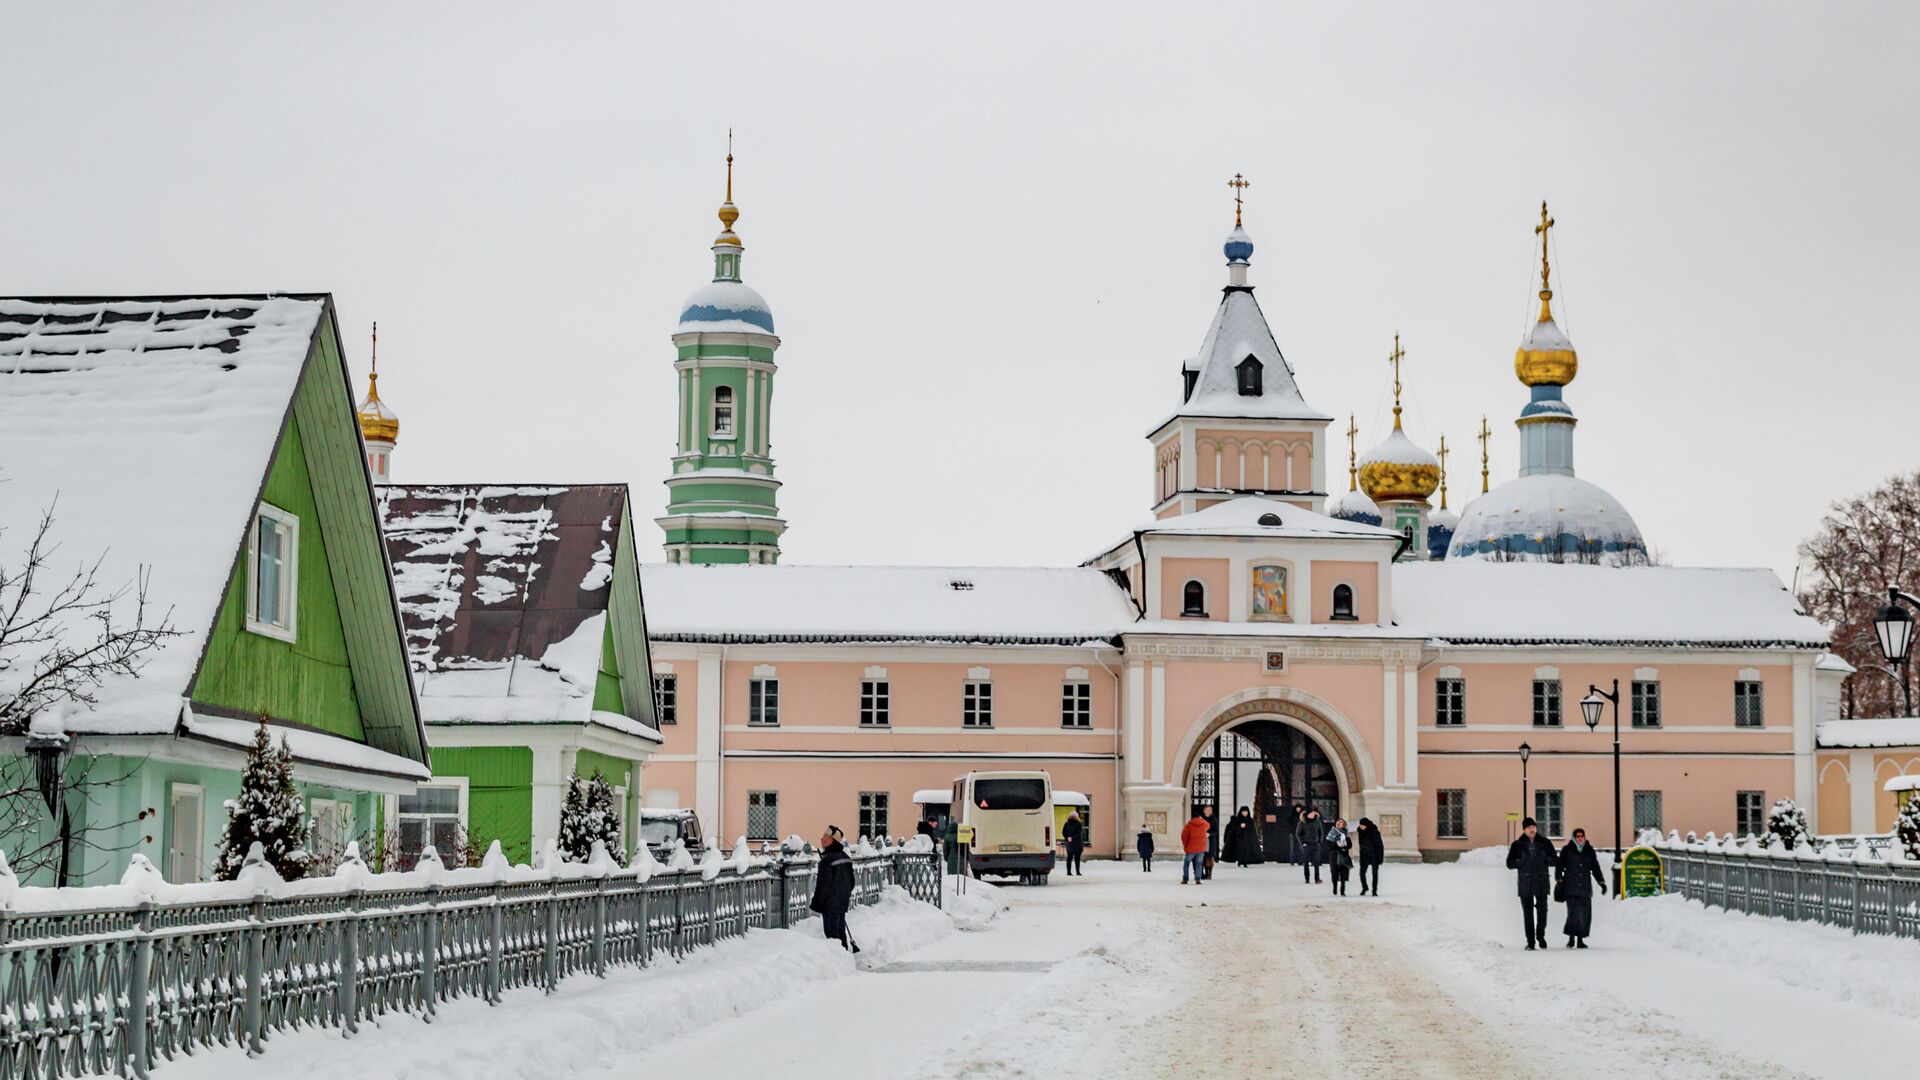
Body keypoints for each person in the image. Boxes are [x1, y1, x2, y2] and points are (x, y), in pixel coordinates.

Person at [1506, 817, 1558, 950]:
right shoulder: (1517, 844)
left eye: (1533, 827)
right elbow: (1509, 863)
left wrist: (1546, 859)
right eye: (1529, 827)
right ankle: (1530, 942)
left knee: (1542, 912)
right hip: (1525, 882)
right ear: (1524, 830)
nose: (1532, 829)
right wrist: (1520, 862)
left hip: (1541, 881)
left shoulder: (1545, 842)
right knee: (1528, 914)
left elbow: (1555, 860)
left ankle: (1540, 935)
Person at [809, 825, 859, 953]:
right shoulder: (845, 858)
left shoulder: (827, 861)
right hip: (842, 902)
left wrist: (816, 904)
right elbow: (852, 882)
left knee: (832, 935)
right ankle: (844, 956)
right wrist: (844, 894)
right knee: (840, 931)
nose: (821, 839)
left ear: (831, 840)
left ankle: (838, 959)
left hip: (829, 904)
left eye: (824, 837)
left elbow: (822, 886)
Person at [1557, 827, 1609, 948]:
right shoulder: (1567, 850)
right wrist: (1559, 880)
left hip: (1585, 887)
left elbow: (1595, 867)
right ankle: (1571, 939)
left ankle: (1580, 940)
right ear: (1574, 838)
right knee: (1573, 913)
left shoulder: (1589, 851)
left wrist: (1601, 882)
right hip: (1570, 886)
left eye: (1582, 836)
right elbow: (1559, 866)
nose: (1580, 838)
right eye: (1577, 836)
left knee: (1584, 914)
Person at [1355, 817, 1385, 896]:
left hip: (1374, 855)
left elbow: (1380, 845)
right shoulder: (1360, 831)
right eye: (1360, 825)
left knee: (1374, 873)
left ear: (1366, 825)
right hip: (1364, 855)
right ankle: (1365, 887)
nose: (1360, 826)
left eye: (1362, 825)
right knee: (1361, 873)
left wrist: (1380, 858)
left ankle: (1374, 890)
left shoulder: (1374, 832)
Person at [1294, 808, 1325, 884]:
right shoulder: (1302, 822)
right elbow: (1298, 834)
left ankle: (1317, 878)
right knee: (1306, 862)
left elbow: (1320, 832)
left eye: (1313, 813)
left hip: (1315, 844)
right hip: (1306, 845)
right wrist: (1302, 842)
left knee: (1316, 862)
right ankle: (1307, 878)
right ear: (1307, 815)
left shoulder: (1317, 821)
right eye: (1310, 814)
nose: (1312, 815)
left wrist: (1319, 841)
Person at [1324, 817, 1353, 896]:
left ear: (1344, 825)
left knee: (1343, 873)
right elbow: (1327, 845)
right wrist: (1337, 844)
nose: (1340, 824)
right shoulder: (1332, 833)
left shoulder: (1346, 833)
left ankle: (1342, 889)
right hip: (1334, 855)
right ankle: (1335, 887)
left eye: (1342, 823)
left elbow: (1350, 845)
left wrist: (1345, 844)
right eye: (1338, 823)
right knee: (1334, 872)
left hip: (1343, 855)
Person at [1180, 810, 1210, 884]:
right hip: (1201, 848)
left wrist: (1185, 846)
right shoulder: (1204, 824)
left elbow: (1183, 837)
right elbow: (1208, 825)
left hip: (1191, 848)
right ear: (1199, 817)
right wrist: (1202, 819)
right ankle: (1197, 879)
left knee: (1186, 863)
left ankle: (1185, 879)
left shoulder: (1188, 825)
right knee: (1199, 864)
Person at [1062, 810, 1086, 877]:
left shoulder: (1066, 824)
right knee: (1077, 858)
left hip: (1069, 844)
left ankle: (1068, 872)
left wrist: (1068, 837)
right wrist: (1073, 837)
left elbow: (1063, 832)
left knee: (1069, 858)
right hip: (1077, 844)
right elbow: (1079, 833)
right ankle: (1078, 872)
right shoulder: (1078, 824)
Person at [1200, 804, 1218, 880]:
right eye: (1206, 810)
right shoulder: (1201, 819)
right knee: (1201, 857)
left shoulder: (1214, 819)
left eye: (1209, 810)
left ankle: (1209, 873)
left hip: (1211, 841)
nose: (1208, 811)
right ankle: (1202, 873)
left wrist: (1209, 834)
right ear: (1204, 811)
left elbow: (1216, 831)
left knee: (1209, 857)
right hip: (1201, 841)